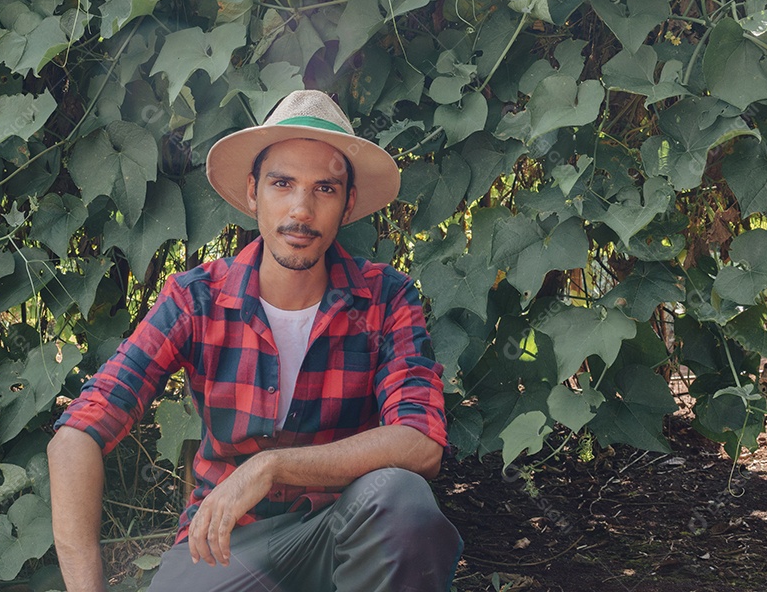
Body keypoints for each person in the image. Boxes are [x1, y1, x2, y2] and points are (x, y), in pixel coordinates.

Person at [48, 90, 463, 592]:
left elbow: (420, 443)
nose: (301, 209)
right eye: (282, 183)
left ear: (348, 203)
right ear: (253, 193)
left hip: (339, 538)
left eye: (325, 189)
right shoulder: (196, 300)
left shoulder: (385, 298)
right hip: (224, 548)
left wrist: (270, 466)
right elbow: (76, 435)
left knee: (401, 500)